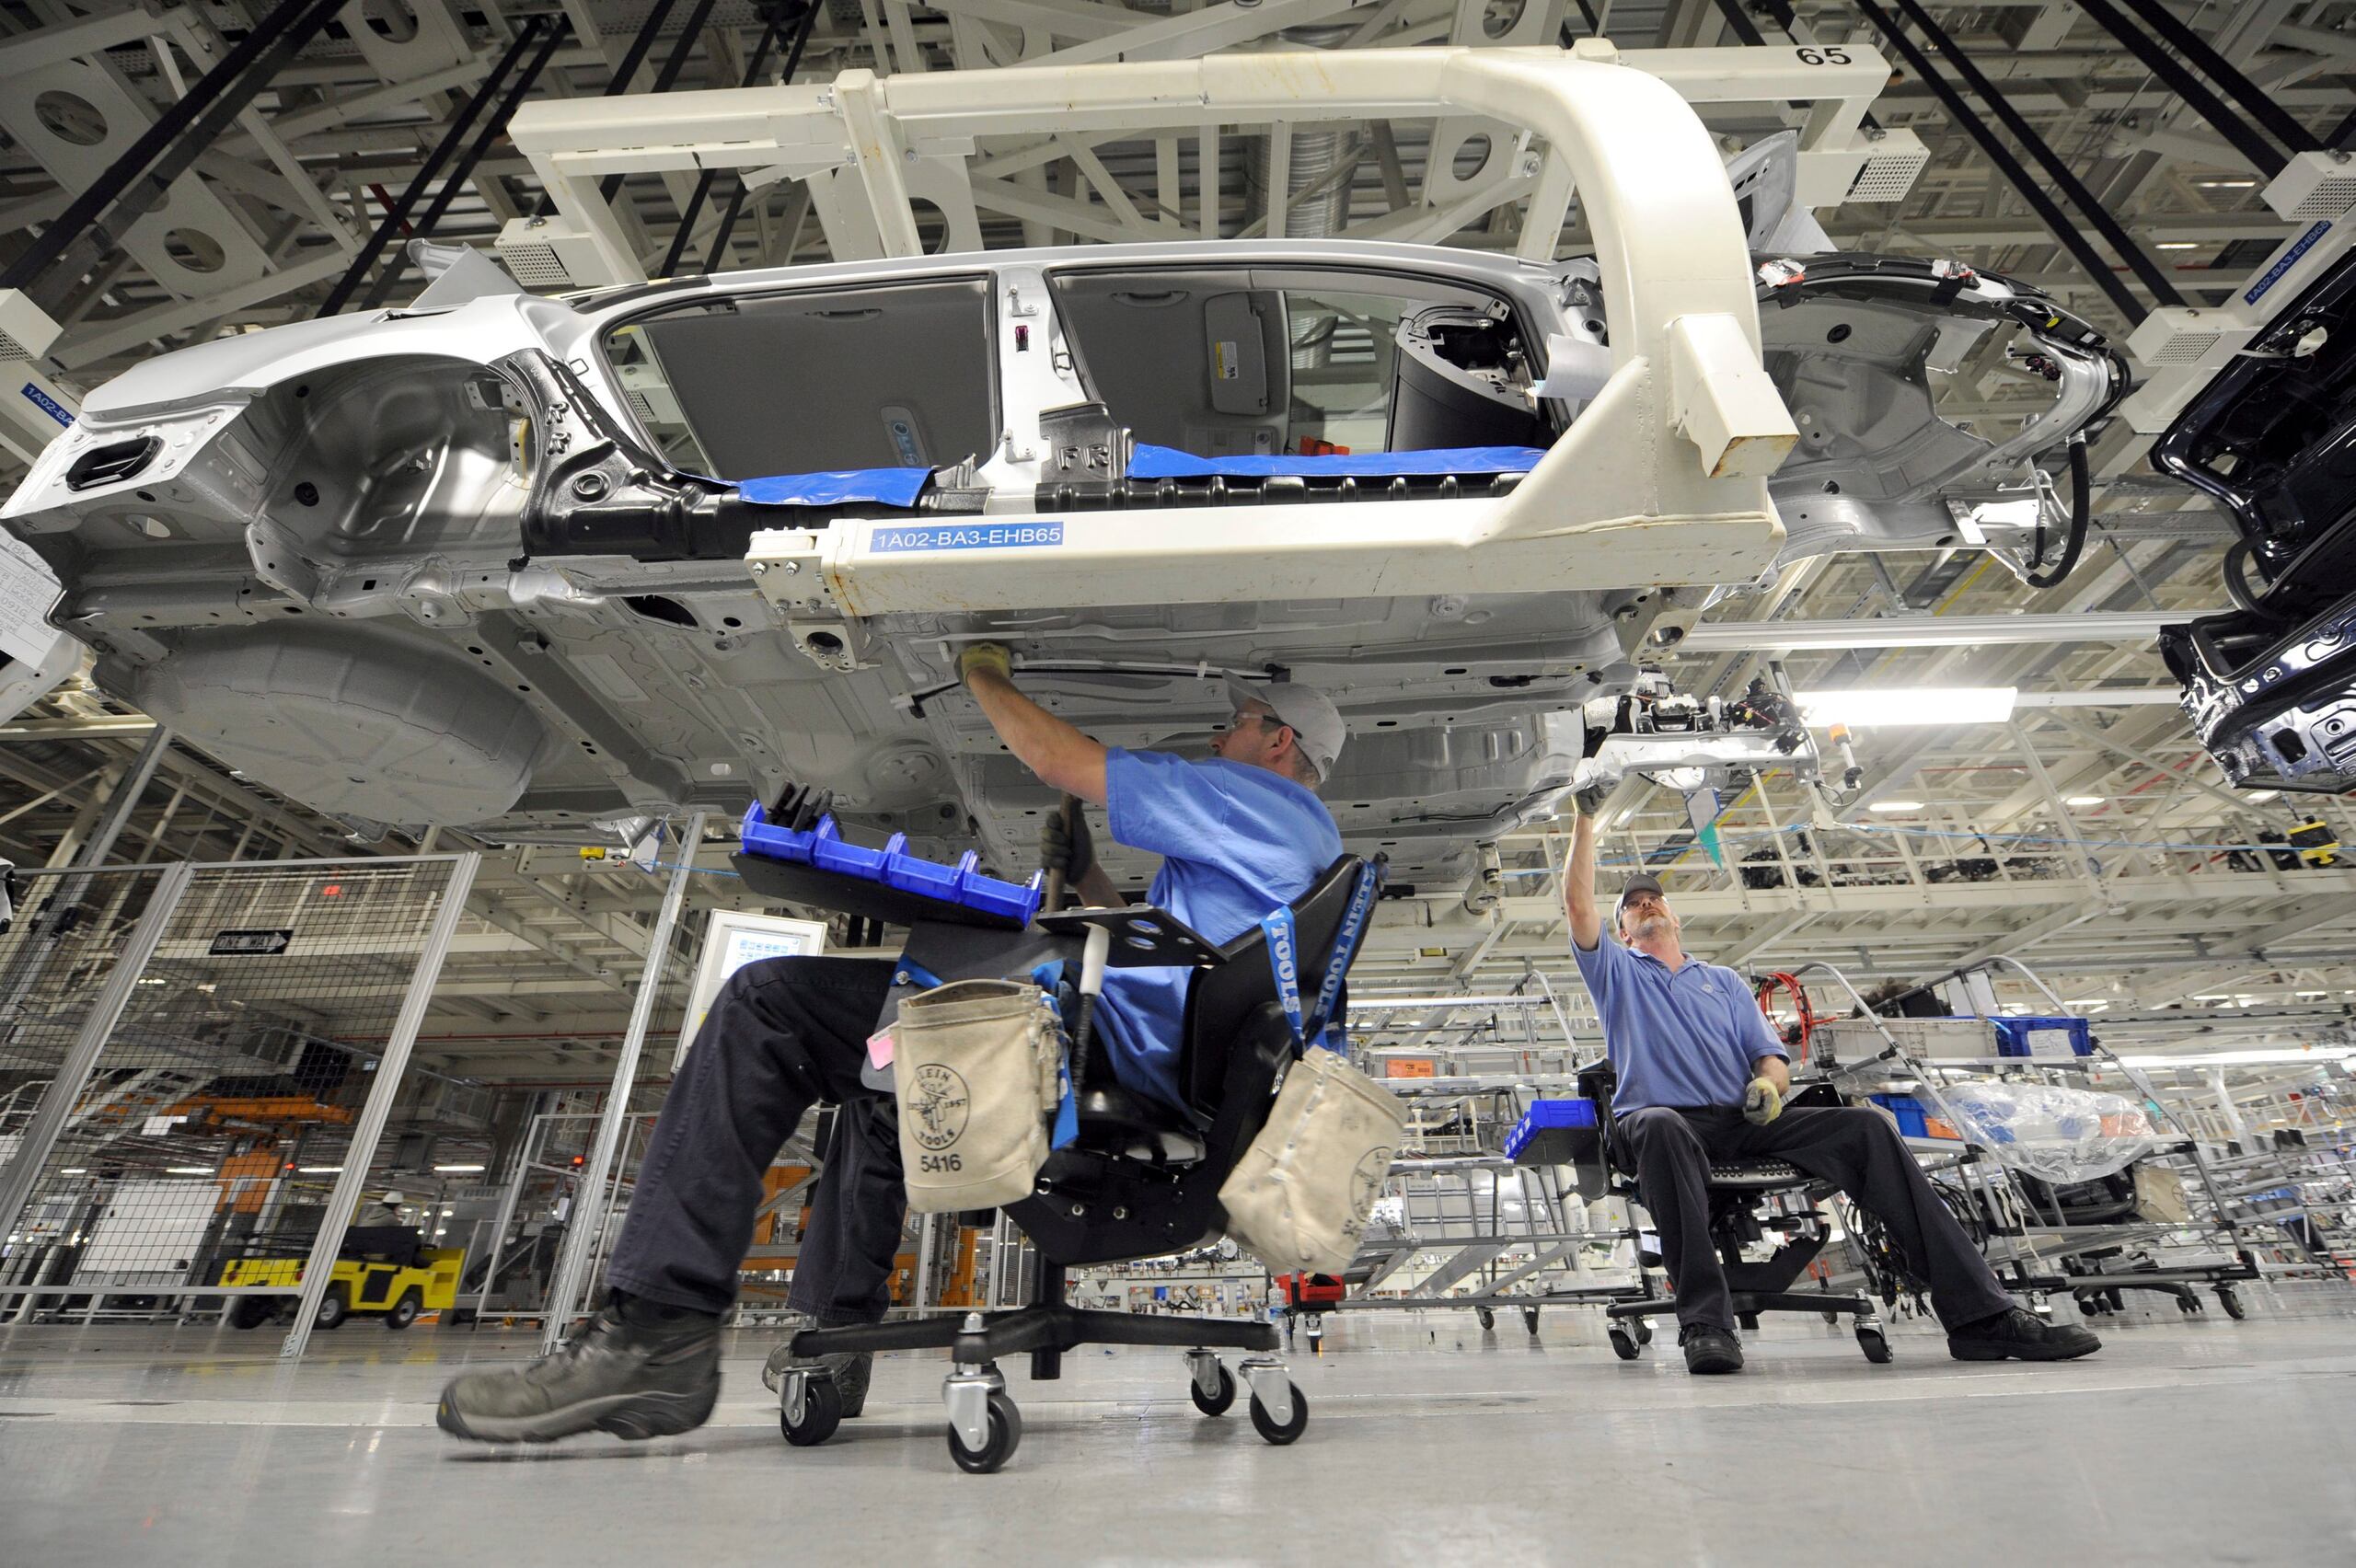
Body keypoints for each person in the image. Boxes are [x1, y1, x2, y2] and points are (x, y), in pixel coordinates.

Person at [434, 650, 1345, 1444]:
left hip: (1091, 1048)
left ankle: (656, 1331)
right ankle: (836, 1341)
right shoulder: (1291, 844)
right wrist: (1082, 864)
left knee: (767, 1005)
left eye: (1239, 723)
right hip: (1146, 1069)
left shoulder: (1256, 797)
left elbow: (1057, 756)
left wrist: (979, 669)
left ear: (1277, 745)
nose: (1221, 734)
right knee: (884, 1087)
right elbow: (1159, 944)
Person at [1560, 782, 2100, 1376]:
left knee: (1868, 1127)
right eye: (1634, 906)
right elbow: (1579, 906)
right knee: (1659, 1125)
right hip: (1665, 1123)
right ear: (1621, 931)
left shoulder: (1725, 984)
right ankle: (1706, 1325)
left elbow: (1770, 1057)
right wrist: (1587, 820)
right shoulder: (1616, 973)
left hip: (1742, 1121)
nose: (1648, 906)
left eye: (1655, 900)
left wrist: (1771, 1084)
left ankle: (1982, 1318)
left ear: (1677, 916)